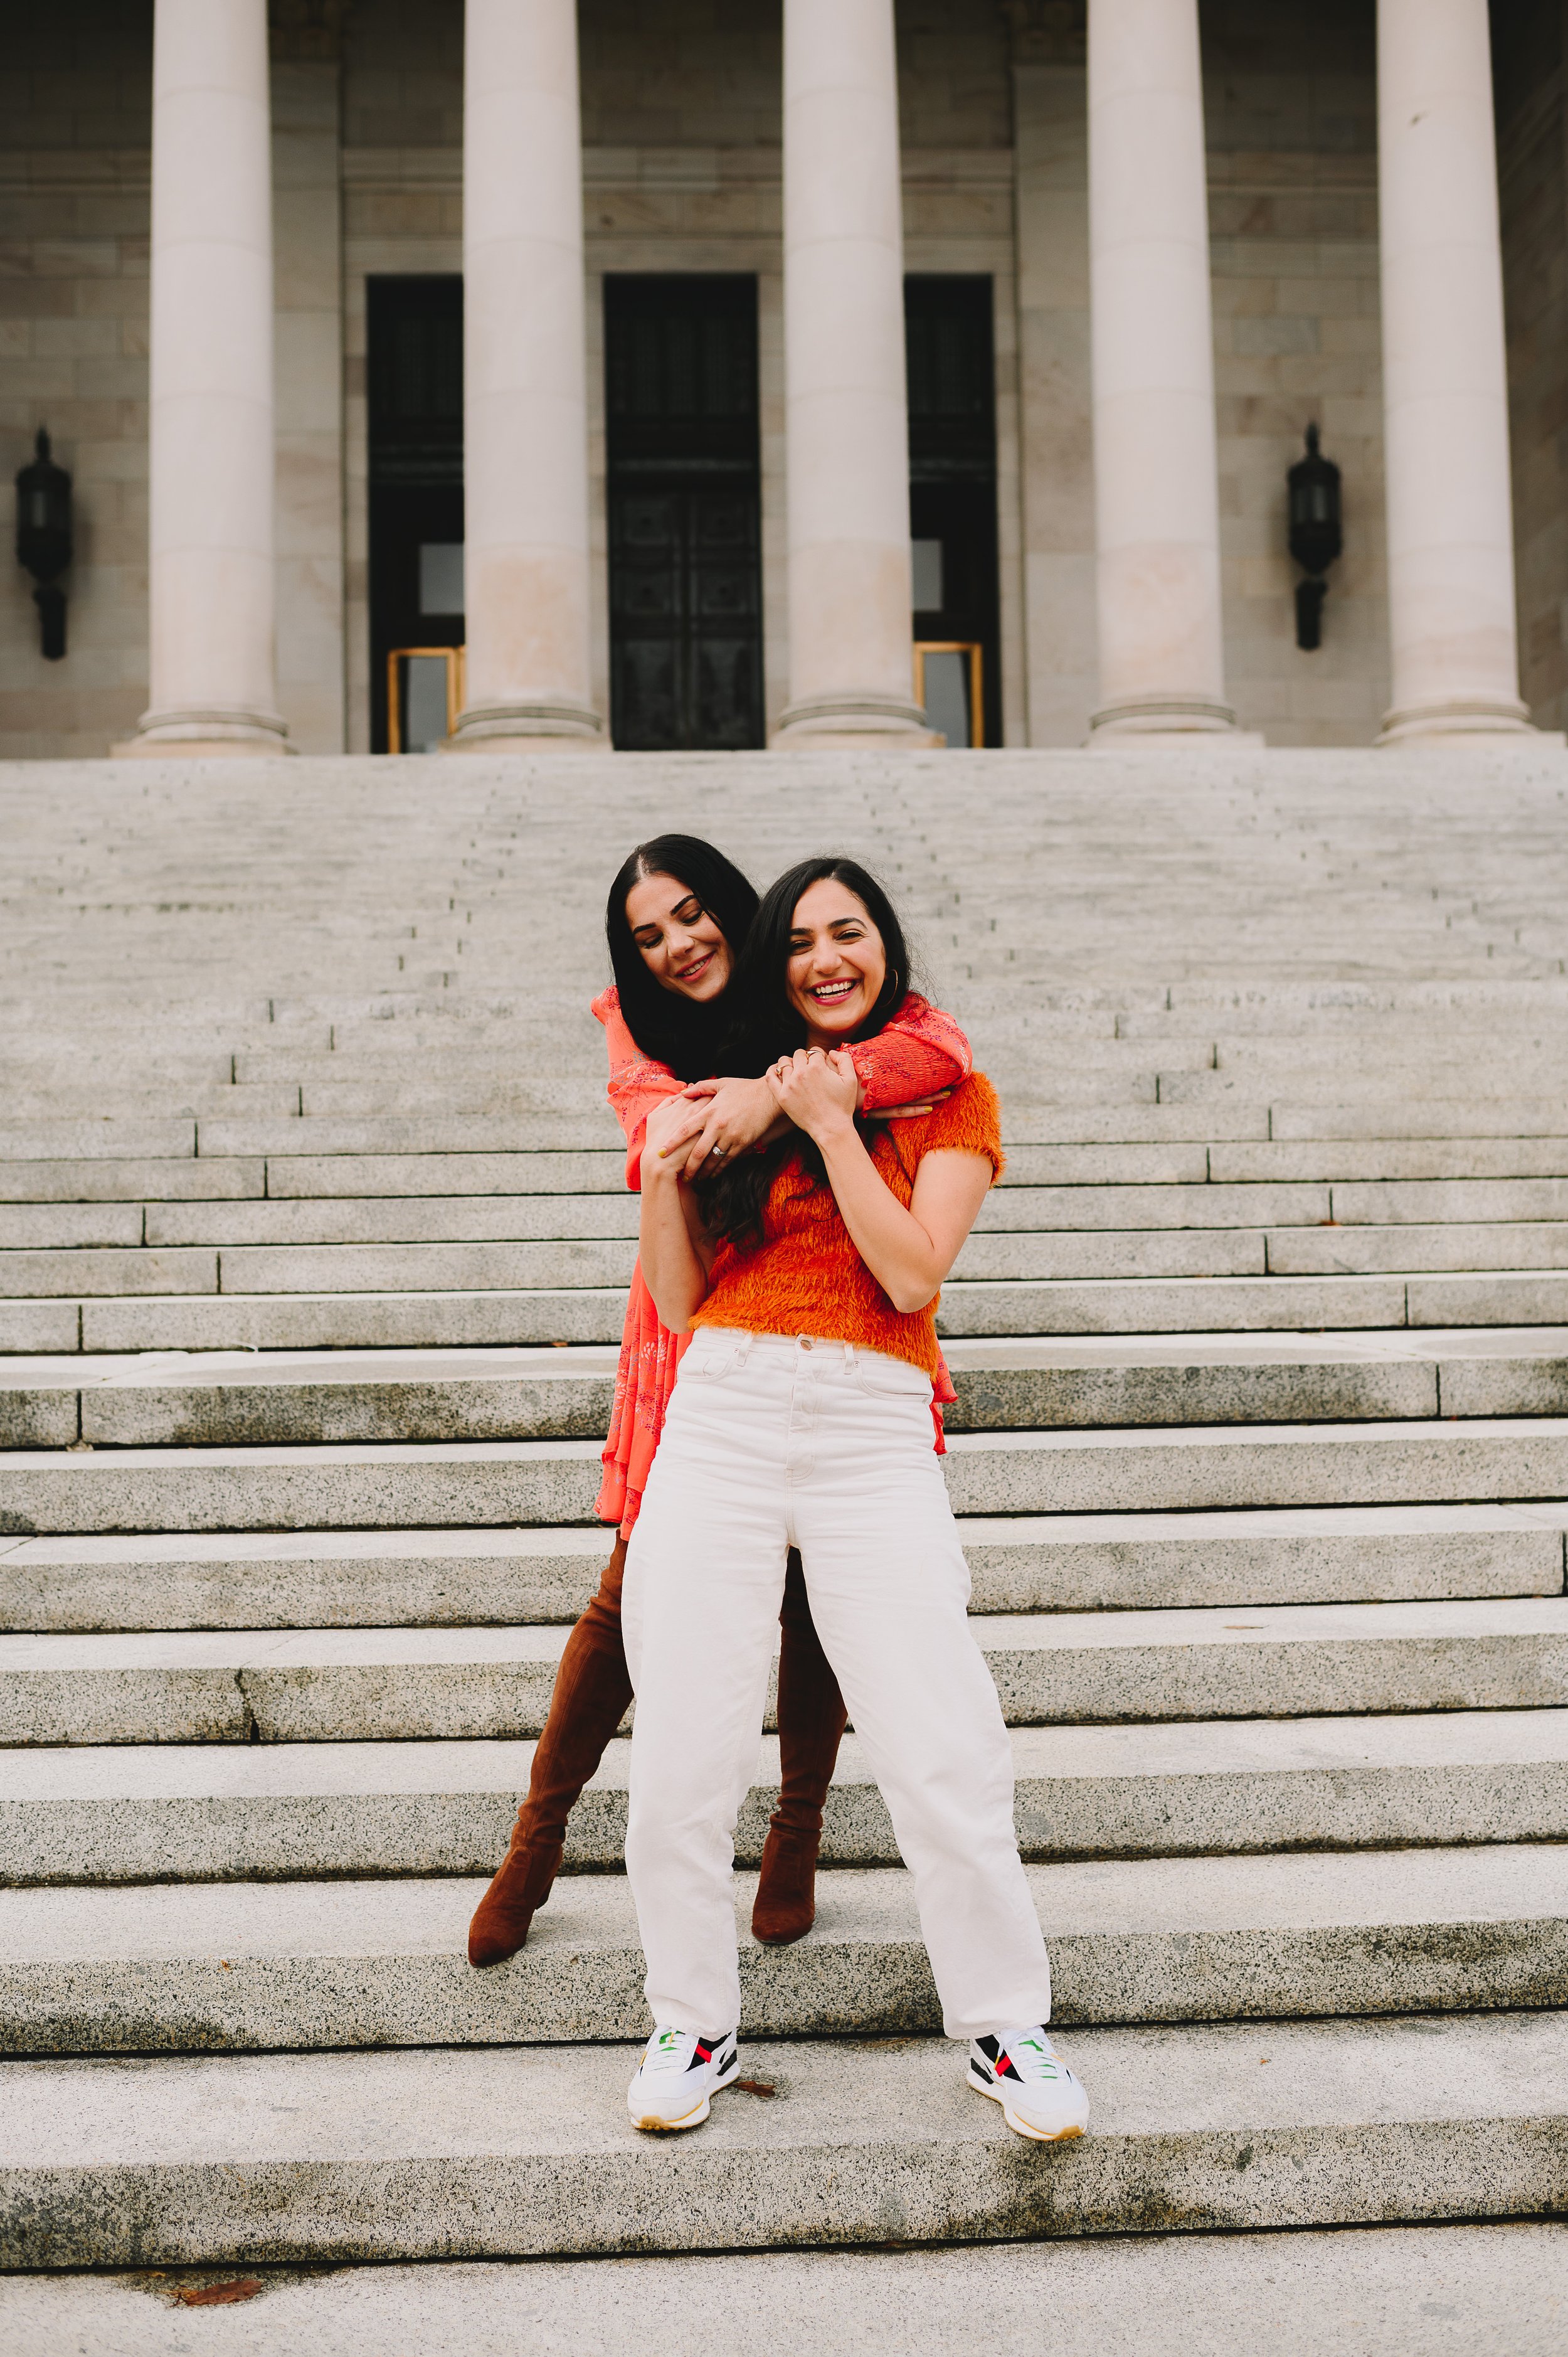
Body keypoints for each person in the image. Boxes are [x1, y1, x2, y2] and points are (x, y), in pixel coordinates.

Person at [619, 857, 1089, 2146]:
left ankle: (1004, 2025)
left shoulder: (948, 1097)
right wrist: (663, 1170)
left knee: (939, 1740)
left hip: (869, 1418)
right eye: (803, 941)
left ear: (886, 948)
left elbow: (909, 1273)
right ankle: (690, 2019)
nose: (828, 958)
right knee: (681, 1753)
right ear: (775, 966)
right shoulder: (728, 1106)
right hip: (720, 1406)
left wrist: (830, 1126)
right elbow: (675, 1301)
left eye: (852, 934)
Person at [467, 836, 973, 1967]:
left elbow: (935, 1053)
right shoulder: (633, 1032)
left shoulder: (815, 1005)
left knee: (818, 1600)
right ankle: (536, 1840)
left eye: (694, 915)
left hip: (842, 1334)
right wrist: (765, 1098)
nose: (678, 945)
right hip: (688, 1332)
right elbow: (663, 1123)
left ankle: (796, 1833)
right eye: (649, 935)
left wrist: (778, 1093)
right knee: (627, 1596)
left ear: (741, 915)